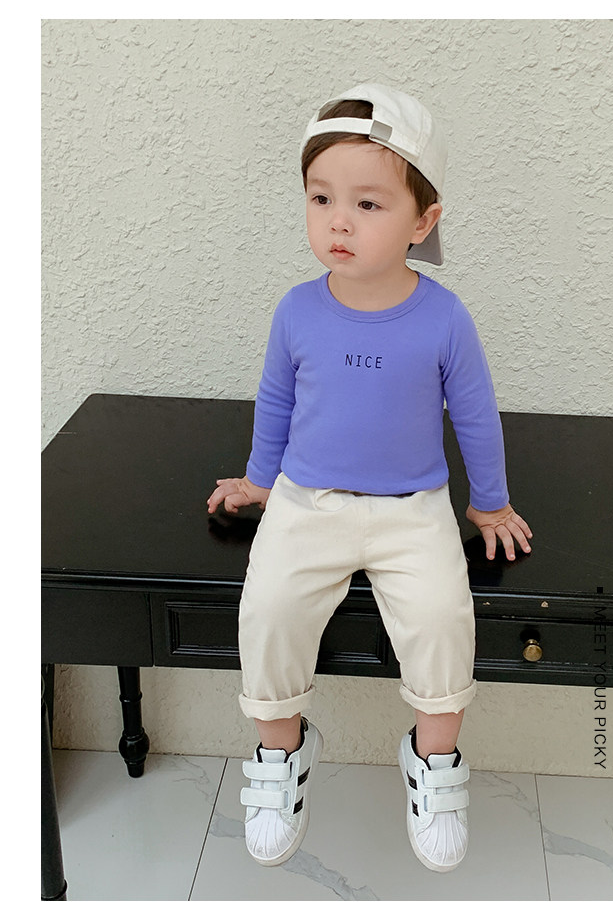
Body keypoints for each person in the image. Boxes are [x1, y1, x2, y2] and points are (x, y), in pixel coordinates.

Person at [207, 83, 532, 873]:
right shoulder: (296, 310)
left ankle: (435, 762)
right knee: (269, 609)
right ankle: (280, 753)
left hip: (413, 510)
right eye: (321, 199)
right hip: (305, 503)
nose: (339, 222)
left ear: (423, 220)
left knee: (443, 618)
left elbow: (476, 415)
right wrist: (259, 480)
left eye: (367, 204)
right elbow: (276, 402)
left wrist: (489, 502)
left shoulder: (444, 318)